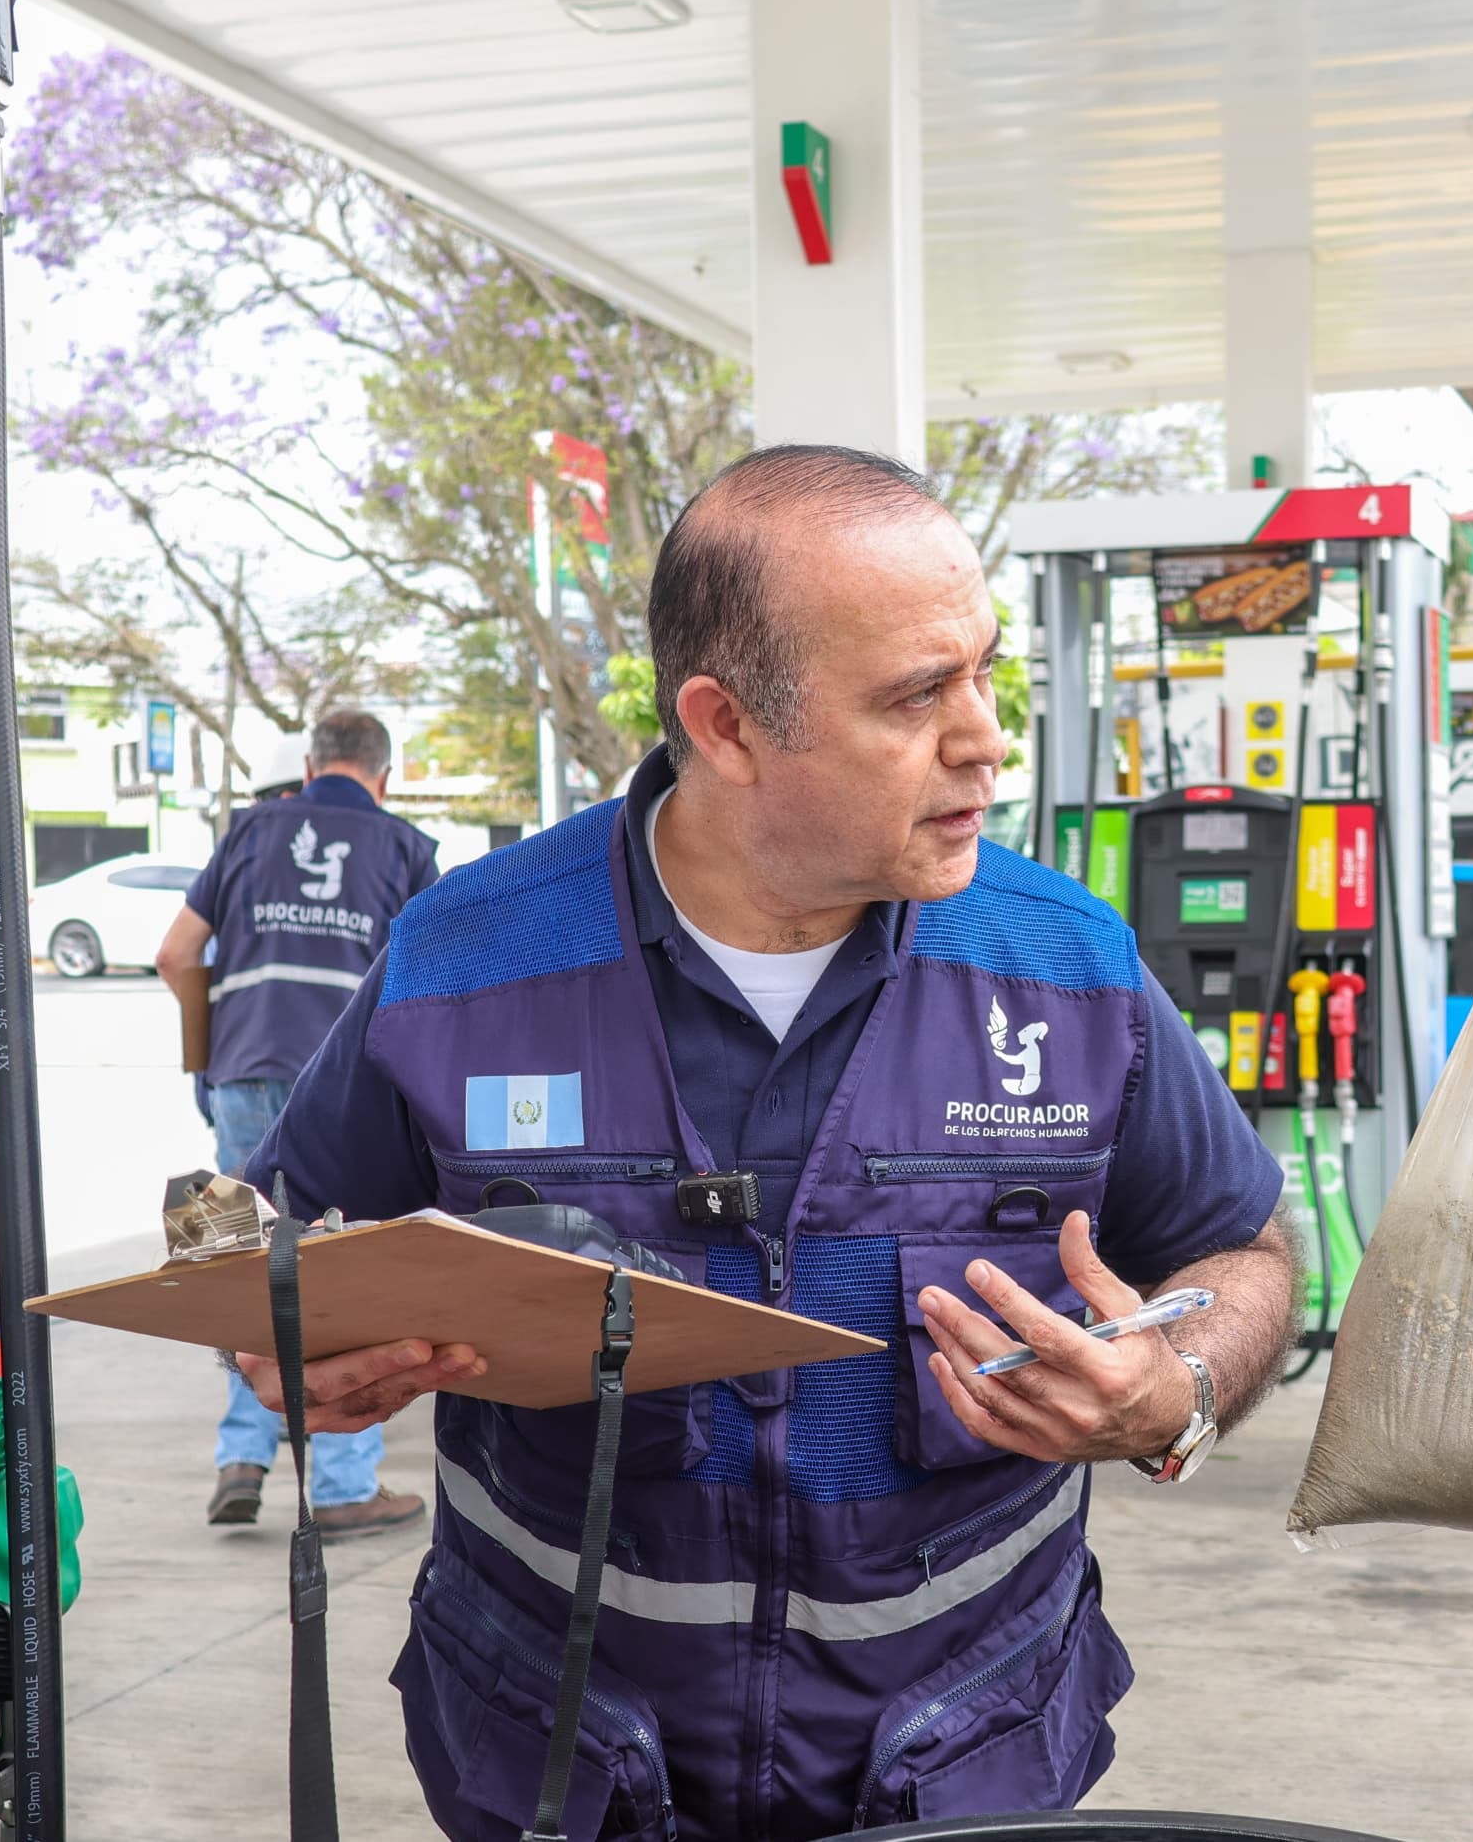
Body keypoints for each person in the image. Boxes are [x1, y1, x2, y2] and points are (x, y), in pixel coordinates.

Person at [227, 444, 1297, 1841]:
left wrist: (1183, 1388)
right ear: (725, 726)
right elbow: (281, 1248)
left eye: (983, 674)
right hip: (566, 1771)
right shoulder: (465, 959)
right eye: (919, 697)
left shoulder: (1069, 966)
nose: (986, 739)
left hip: (967, 1766)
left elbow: (1247, 1247)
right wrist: (291, 1341)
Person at [158, 708, 444, 1535]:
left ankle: (240, 1459)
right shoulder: (406, 847)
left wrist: (205, 1060)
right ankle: (345, 1485)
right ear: (382, 775)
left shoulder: (250, 831)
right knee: (346, 1273)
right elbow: (437, 973)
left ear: (312, 762)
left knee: (236, 1259)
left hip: (243, 1065)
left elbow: (177, 953)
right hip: (355, 1085)